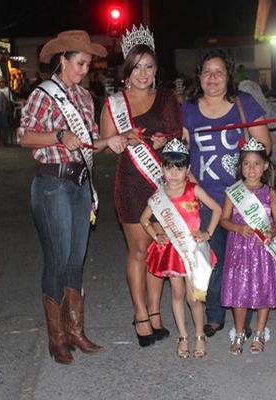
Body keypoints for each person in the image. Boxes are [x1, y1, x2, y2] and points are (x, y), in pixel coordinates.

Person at [19, 30, 128, 365]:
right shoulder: (43, 95)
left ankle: (76, 331)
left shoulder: (84, 98)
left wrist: (110, 142)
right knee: (57, 258)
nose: (84, 69)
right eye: (79, 63)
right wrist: (58, 135)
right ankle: (57, 339)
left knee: (75, 259)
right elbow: (24, 137)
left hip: (80, 184)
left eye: (88, 64)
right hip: (52, 184)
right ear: (62, 59)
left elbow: (88, 144)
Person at [100, 25, 181, 347]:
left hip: (162, 183)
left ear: (156, 69)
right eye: (137, 67)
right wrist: (115, 140)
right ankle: (140, 316)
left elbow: (178, 136)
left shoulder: (167, 98)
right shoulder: (114, 104)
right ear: (127, 70)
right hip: (131, 184)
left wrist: (165, 141)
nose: (143, 73)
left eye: (149, 66)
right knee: (138, 251)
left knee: (158, 249)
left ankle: (155, 312)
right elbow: (101, 145)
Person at [182, 50, 271, 338]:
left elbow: (264, 146)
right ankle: (215, 314)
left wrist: (248, 172)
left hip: (241, 199)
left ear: (228, 76)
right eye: (207, 71)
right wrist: (190, 181)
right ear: (199, 76)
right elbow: (180, 153)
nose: (213, 78)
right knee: (215, 258)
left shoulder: (244, 104)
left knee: (243, 260)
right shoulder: (188, 110)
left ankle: (244, 314)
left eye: (219, 71)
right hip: (206, 199)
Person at [140, 138, 222, 358]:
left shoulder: (193, 190)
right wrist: (155, 235)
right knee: (176, 293)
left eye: (179, 167)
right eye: (168, 167)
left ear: (188, 169)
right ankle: (183, 336)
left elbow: (216, 208)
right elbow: (144, 219)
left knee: (193, 297)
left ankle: (199, 336)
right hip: (172, 253)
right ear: (162, 168)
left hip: (191, 250)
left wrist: (208, 233)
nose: (174, 173)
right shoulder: (158, 197)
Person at [220, 138, 276, 355]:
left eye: (257, 163)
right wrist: (238, 229)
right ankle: (239, 333)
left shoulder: (270, 193)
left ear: (265, 166)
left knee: (263, 288)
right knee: (239, 290)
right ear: (240, 167)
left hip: (262, 249)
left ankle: (259, 333)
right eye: (246, 164)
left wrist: (272, 231)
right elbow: (223, 220)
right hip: (239, 249)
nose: (251, 169)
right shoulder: (233, 192)